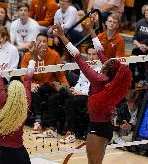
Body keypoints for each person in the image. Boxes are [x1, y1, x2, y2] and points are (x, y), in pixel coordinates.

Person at [52, 22, 132, 164]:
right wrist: (92, 31)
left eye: (106, 62)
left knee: (93, 163)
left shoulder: (97, 78)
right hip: (104, 125)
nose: (104, 61)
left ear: (107, 68)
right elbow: (100, 51)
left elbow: (77, 56)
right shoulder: (112, 77)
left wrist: (63, 36)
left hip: (98, 127)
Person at [0, 40, 41, 164]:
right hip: (20, 153)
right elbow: (28, 79)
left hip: (4, 154)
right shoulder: (26, 104)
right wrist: (33, 57)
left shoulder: (3, 100)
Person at [21, 33, 69, 134]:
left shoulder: (54, 55)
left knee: (42, 88)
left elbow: (60, 75)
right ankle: (38, 121)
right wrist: (31, 84)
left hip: (49, 85)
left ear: (48, 44)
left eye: (44, 41)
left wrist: (67, 87)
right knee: (35, 90)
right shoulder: (28, 55)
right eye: (39, 41)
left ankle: (38, 121)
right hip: (35, 84)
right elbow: (23, 75)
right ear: (35, 42)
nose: (42, 43)